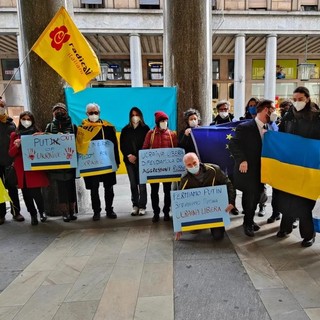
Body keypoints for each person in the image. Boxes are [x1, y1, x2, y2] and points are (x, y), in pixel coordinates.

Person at [276, 86, 320, 247]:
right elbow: (281, 135)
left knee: (305, 202)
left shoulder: (317, 117)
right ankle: (286, 228)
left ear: (307, 98)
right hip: (291, 164)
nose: (297, 102)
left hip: (309, 166)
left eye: (300, 99)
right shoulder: (288, 116)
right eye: (294, 99)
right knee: (288, 198)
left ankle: (308, 234)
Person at [229, 99, 277, 237]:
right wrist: (242, 159)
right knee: (249, 196)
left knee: (257, 196)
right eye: (273, 109)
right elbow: (233, 145)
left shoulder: (271, 127)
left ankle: (250, 219)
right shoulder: (245, 127)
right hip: (249, 169)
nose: (274, 112)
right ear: (266, 110)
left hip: (264, 169)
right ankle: (247, 223)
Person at [177, 152, 236, 240]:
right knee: (192, 229)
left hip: (215, 209)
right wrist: (179, 225)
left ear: (199, 161)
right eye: (189, 165)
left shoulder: (214, 169)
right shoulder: (184, 179)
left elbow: (229, 184)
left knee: (218, 236)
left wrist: (231, 202)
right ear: (185, 166)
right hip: (198, 210)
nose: (193, 166)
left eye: (194, 163)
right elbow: (180, 202)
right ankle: (199, 225)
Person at [77, 102, 120, 221]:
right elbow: (79, 147)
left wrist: (116, 161)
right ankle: (96, 211)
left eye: (95, 112)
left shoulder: (108, 127)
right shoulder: (82, 129)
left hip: (107, 163)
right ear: (86, 114)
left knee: (109, 187)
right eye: (91, 113)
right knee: (94, 189)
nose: (93, 115)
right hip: (91, 165)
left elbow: (114, 145)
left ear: (99, 113)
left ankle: (109, 209)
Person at [8, 111, 49, 225]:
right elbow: (11, 153)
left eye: (28, 119)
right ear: (20, 120)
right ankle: (33, 214)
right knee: (26, 194)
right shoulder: (14, 135)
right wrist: (17, 145)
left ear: (32, 121)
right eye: (23, 119)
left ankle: (42, 212)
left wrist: (41, 136)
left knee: (37, 193)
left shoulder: (37, 133)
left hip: (33, 168)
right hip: (21, 168)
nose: (26, 121)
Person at [142, 111, 178, 222]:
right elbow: (145, 149)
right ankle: (156, 212)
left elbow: (176, 150)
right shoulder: (150, 134)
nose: (164, 122)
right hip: (154, 170)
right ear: (157, 122)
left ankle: (166, 211)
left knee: (167, 191)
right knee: (154, 191)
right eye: (162, 121)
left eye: (166, 120)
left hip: (168, 169)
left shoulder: (172, 135)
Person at [45, 102, 77, 222]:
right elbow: (45, 141)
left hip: (70, 164)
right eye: (56, 110)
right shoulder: (50, 126)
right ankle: (64, 212)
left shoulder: (73, 126)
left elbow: (78, 141)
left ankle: (72, 211)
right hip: (57, 165)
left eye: (61, 110)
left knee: (71, 189)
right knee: (61, 190)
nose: (59, 112)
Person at [120, 107, 150, 216]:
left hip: (142, 161)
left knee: (142, 184)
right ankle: (135, 205)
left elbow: (147, 145)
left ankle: (142, 206)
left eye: (137, 114)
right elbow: (122, 145)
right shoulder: (125, 130)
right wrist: (129, 155)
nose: (135, 117)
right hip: (129, 161)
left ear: (140, 115)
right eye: (132, 115)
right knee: (133, 183)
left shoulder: (146, 129)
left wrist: (138, 156)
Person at [0, 99, 24, 225]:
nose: (1, 108)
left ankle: (16, 212)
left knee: (12, 187)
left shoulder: (10, 124)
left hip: (9, 161)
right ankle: (1, 214)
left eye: (2, 105)